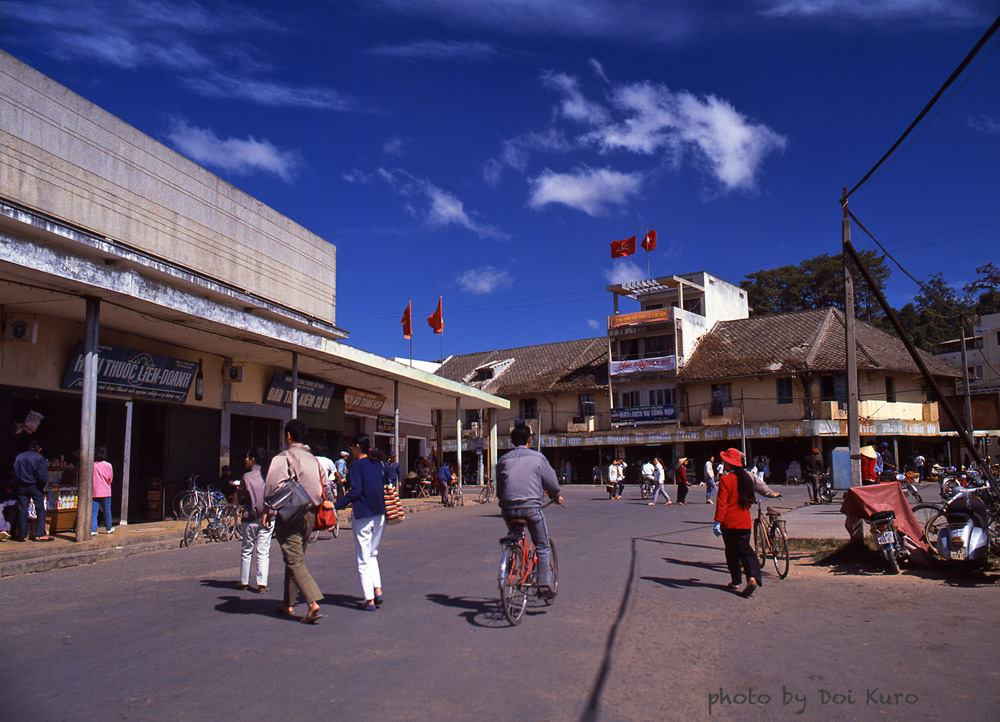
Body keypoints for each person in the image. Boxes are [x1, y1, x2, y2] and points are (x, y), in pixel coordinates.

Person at [264, 419, 328, 624]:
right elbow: (324, 485)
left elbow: (271, 487)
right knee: (295, 557)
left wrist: (266, 510)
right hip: (311, 514)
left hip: (291, 514)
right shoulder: (314, 460)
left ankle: (312, 602)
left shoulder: (284, 457)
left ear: (289, 436)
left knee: (294, 560)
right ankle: (288, 602)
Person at [496, 423, 563, 598]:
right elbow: (552, 484)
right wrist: (556, 496)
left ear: (512, 441)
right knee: (542, 546)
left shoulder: (503, 460)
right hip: (531, 508)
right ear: (529, 440)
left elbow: (500, 491)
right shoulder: (538, 458)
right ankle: (544, 585)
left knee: (515, 535)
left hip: (508, 509)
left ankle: (512, 563)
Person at [336, 434, 388, 611]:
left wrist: (336, 505)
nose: (351, 450)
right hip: (380, 513)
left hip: (364, 514)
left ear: (357, 446)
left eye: (351, 447)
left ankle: (369, 599)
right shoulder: (378, 463)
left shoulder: (357, 465)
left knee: (363, 558)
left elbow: (356, 491)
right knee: (372, 553)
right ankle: (377, 590)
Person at [713, 447, 763, 598]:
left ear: (729, 463)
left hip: (729, 523)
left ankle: (736, 581)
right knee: (745, 550)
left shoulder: (725, 480)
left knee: (731, 552)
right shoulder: (747, 478)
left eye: (725, 461)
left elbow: (722, 503)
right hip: (744, 521)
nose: (724, 464)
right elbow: (750, 500)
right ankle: (752, 577)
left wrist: (717, 521)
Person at [237, 448, 273, 593]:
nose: (245, 460)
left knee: (247, 549)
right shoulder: (270, 476)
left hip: (250, 517)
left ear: (253, 460)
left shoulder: (247, 477)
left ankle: (244, 581)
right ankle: (262, 584)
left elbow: (241, 497)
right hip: (268, 517)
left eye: (247, 457)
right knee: (263, 551)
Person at [12, 440, 53, 542]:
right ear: (39, 449)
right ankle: (40, 534)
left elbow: (14, 471)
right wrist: (42, 485)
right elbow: (42, 476)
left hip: (21, 486)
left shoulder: (19, 456)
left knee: (22, 509)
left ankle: (22, 535)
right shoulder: (39, 458)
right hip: (35, 486)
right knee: (40, 509)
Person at [91, 446, 114, 536]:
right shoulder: (108, 465)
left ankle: (93, 529)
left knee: (94, 512)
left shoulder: (92, 465)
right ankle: (109, 528)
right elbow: (110, 479)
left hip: (94, 491)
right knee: (107, 511)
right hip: (105, 491)